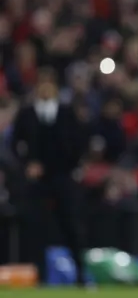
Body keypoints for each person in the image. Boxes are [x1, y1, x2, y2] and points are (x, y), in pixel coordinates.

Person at [11, 71, 88, 286]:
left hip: (62, 177)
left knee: (71, 226)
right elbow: (15, 143)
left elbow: (79, 142)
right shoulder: (26, 113)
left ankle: (80, 275)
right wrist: (27, 165)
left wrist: (70, 166)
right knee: (36, 228)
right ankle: (40, 275)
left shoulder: (66, 112)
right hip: (37, 181)